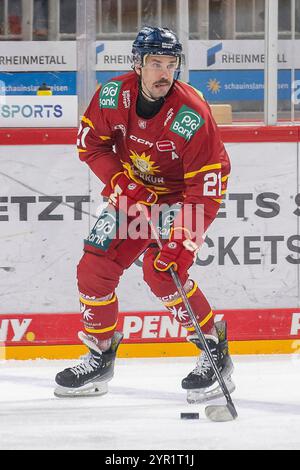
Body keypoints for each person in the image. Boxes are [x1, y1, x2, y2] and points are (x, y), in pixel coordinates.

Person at [54, 26, 235, 403]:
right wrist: (121, 181)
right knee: (94, 268)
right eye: (155, 63)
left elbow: (207, 187)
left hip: (181, 198)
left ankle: (214, 352)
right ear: (137, 64)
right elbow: (91, 145)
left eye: (171, 64)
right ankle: (100, 354)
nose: (164, 73)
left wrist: (184, 239)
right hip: (134, 194)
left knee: (163, 270)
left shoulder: (191, 114)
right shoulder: (111, 96)